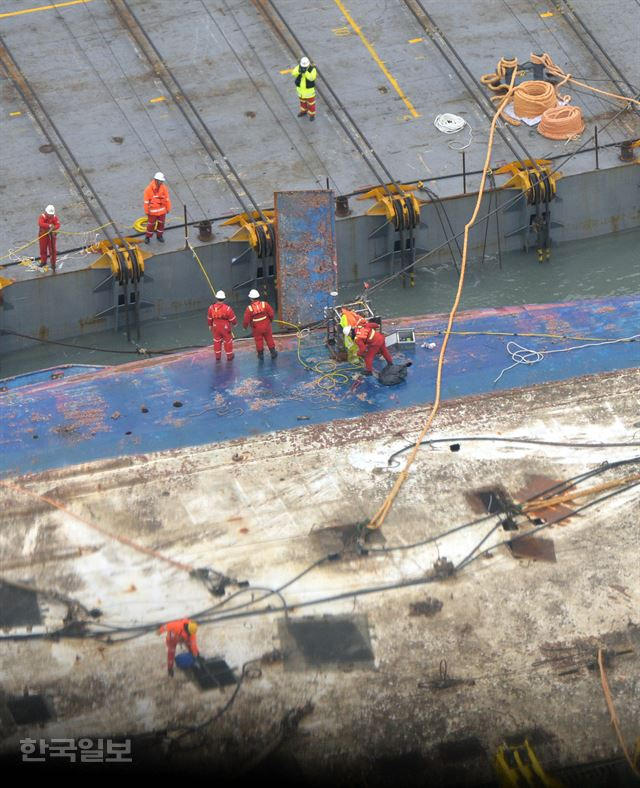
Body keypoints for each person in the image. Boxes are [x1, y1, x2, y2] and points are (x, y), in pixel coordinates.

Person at [243, 289, 277, 359]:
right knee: (269, 338)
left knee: (258, 340)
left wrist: (245, 327)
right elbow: (271, 313)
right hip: (266, 326)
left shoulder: (249, 309)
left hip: (256, 328)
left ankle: (260, 355)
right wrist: (270, 320)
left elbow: (246, 320)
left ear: (251, 298)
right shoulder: (265, 304)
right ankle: (273, 352)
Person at [207, 290, 237, 361]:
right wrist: (235, 324)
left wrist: (210, 325)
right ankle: (229, 356)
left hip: (215, 326)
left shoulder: (211, 308)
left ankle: (218, 357)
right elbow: (232, 318)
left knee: (217, 341)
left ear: (216, 298)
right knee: (228, 341)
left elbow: (209, 318)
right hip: (225, 327)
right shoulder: (227, 308)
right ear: (224, 298)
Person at [143, 172, 171, 244]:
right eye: (160, 181)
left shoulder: (164, 188)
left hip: (162, 211)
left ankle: (159, 236)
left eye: (162, 181)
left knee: (161, 224)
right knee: (151, 225)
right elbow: (146, 201)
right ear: (156, 180)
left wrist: (168, 208)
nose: (161, 182)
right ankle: (148, 237)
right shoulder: (148, 189)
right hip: (152, 212)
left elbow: (167, 198)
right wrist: (146, 211)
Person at [292, 56, 317, 121]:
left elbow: (312, 78)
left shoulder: (312, 69)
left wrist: (306, 72)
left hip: (309, 92)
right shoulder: (299, 67)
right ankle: (303, 111)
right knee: (302, 102)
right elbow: (293, 73)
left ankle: (312, 115)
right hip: (301, 91)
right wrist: (299, 71)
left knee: (311, 104)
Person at [38, 205, 60, 271]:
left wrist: (53, 227)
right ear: (46, 212)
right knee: (43, 249)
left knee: (53, 250)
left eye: (51, 214)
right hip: (43, 235)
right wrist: (49, 225)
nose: (50, 215)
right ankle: (43, 261)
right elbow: (40, 223)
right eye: (49, 214)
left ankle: (53, 263)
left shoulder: (55, 217)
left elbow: (58, 225)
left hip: (52, 236)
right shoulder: (42, 217)